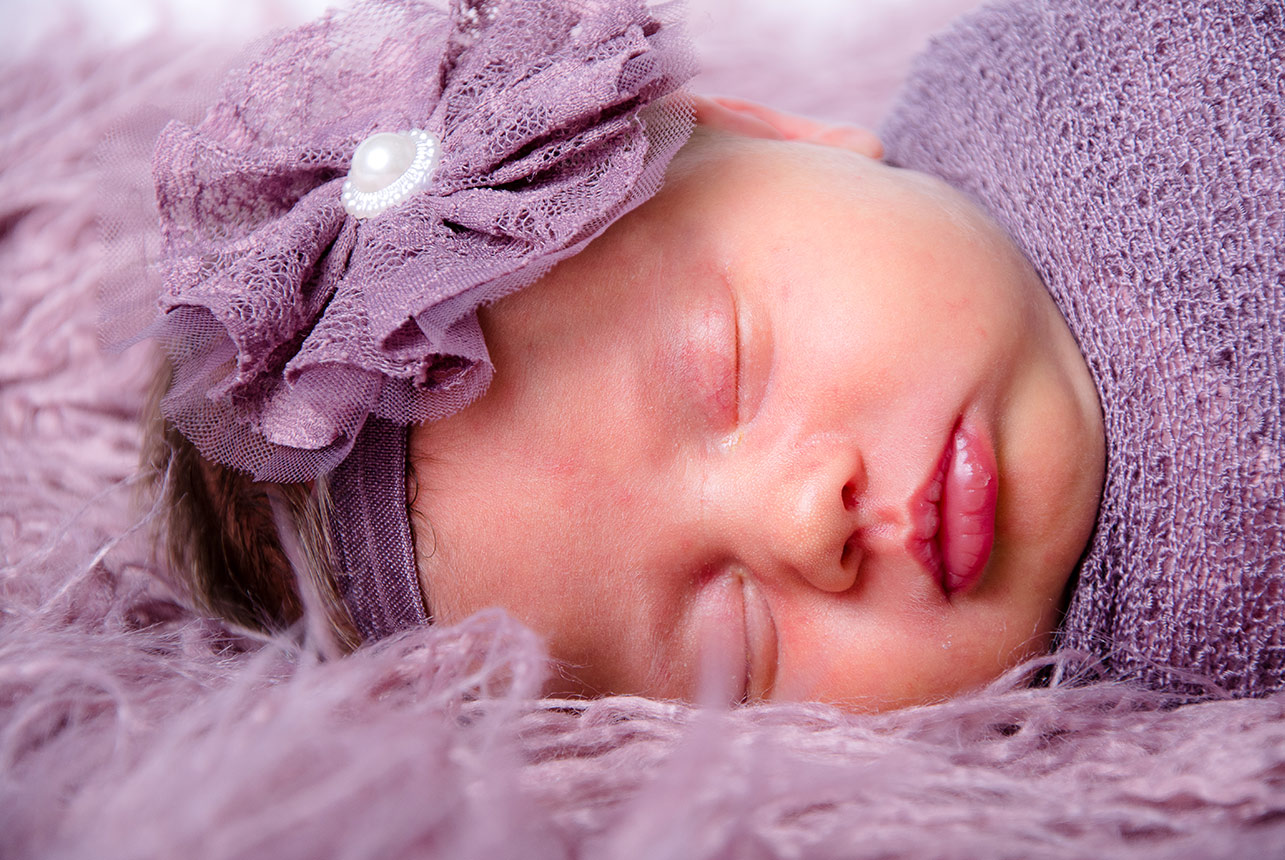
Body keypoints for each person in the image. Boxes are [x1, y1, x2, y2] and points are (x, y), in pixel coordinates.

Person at [132, 0, 1283, 711]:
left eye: (727, 367)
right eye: (735, 644)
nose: (806, 520)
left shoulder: (1088, 58)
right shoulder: (1173, 683)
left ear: (772, 130)